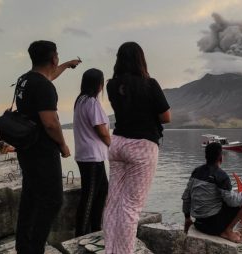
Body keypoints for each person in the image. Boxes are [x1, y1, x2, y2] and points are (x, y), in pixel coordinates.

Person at [103, 41, 171, 253]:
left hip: (117, 144)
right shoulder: (149, 84)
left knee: (113, 203)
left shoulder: (111, 85)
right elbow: (166, 117)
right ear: (141, 59)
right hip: (141, 147)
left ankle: (110, 250)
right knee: (131, 207)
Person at [14, 40, 81, 254]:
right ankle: (35, 249)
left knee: (31, 196)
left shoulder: (24, 79)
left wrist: (68, 65)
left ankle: (24, 246)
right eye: (58, 56)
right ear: (53, 58)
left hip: (26, 148)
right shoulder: (44, 87)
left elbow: (49, 75)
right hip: (42, 151)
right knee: (52, 200)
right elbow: (51, 123)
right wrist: (63, 145)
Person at [182, 143, 242, 243]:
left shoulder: (196, 172)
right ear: (221, 157)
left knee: (221, 198)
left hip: (199, 224)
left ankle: (225, 230)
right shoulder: (221, 175)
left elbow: (186, 197)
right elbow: (232, 201)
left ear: (206, 156)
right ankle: (228, 231)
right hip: (213, 227)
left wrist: (187, 218)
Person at [73, 68, 110, 236]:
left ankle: (95, 230)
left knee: (102, 191)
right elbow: (101, 130)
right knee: (90, 196)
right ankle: (80, 236)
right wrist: (113, 145)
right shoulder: (92, 102)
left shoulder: (80, 100)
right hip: (92, 156)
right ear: (99, 85)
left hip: (86, 154)